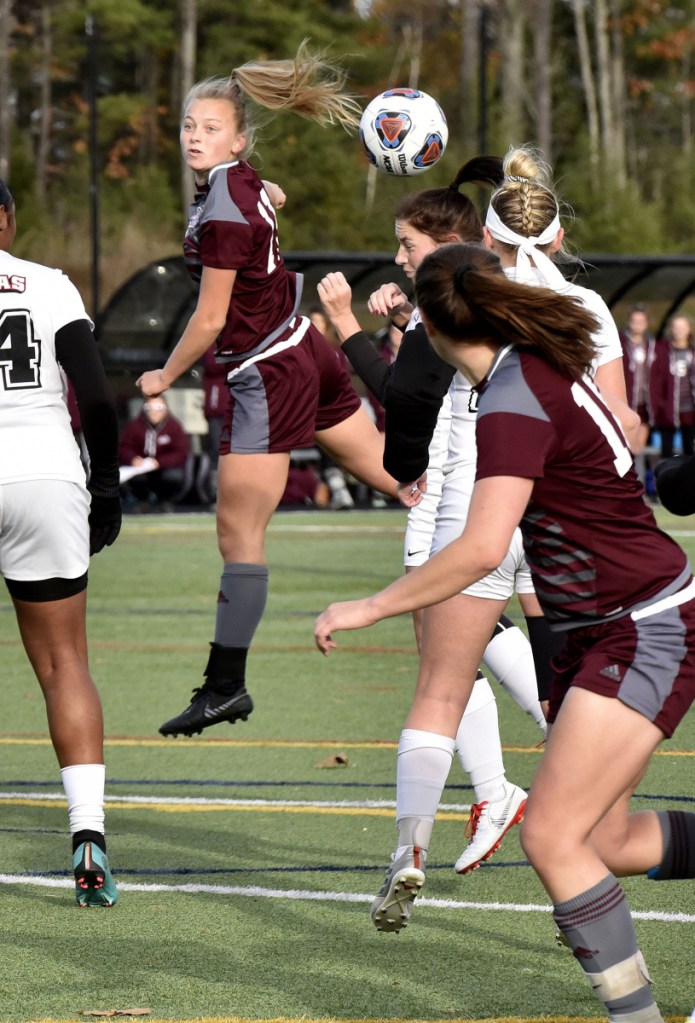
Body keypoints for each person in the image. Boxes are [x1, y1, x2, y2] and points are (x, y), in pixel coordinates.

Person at [315, 242, 695, 1023]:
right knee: (610, 839)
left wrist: (370, 605)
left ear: (430, 323)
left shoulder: (514, 395)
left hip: (642, 625)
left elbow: (484, 548)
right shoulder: (525, 367)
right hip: (613, 623)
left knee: (551, 838)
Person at [136, 43, 414, 738]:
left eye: (209, 127)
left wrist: (163, 377)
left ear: (238, 137)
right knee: (397, 474)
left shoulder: (228, 204)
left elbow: (208, 317)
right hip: (303, 348)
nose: (194, 136)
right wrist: (268, 195)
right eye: (188, 126)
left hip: (267, 368)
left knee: (238, 533)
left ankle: (225, 685)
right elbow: (263, 197)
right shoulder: (242, 182)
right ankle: (484, 556)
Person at [318, 157, 545, 930]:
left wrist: (347, 327)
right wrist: (399, 324)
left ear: (451, 245)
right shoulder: (550, 294)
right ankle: (502, 785)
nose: (400, 259)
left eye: (408, 246)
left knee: (438, 679)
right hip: (535, 498)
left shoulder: (454, 300)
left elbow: (405, 398)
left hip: (466, 500)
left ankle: (414, 844)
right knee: (476, 646)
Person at [0, 179, 121, 907]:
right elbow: (98, 398)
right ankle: (88, 834)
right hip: (45, 476)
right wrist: (105, 488)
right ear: (7, 219)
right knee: (63, 661)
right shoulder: (48, 285)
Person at [119, 395, 191, 510]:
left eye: (159, 407)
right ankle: (143, 501)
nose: (154, 411)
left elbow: (181, 452)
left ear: (166, 408)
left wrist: (159, 462)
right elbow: (124, 448)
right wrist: (132, 459)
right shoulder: (134, 426)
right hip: (141, 469)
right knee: (136, 477)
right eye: (150, 407)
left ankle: (164, 501)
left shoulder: (174, 427)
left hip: (164, 468)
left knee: (173, 476)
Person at [620, 304, 658, 485]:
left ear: (647, 323)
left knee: (638, 449)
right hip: (626, 403)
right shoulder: (621, 343)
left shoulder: (653, 345)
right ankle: (627, 484)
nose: (637, 324)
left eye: (641, 321)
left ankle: (638, 485)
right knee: (626, 447)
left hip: (645, 405)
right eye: (634, 321)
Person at [651, 312, 695, 460]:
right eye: (676, 327)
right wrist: (660, 404)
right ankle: (665, 481)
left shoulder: (693, 351)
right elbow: (655, 380)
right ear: (671, 329)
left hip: (690, 409)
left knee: (690, 451)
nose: (679, 330)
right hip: (668, 409)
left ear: (689, 329)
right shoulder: (662, 350)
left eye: (683, 327)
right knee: (667, 453)